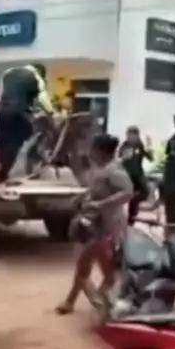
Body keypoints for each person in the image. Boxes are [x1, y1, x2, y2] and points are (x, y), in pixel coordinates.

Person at [56, 134, 133, 315]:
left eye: (92, 149)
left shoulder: (114, 170)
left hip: (108, 225)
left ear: (100, 151)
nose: (90, 152)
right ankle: (74, 300)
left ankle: (99, 301)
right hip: (95, 223)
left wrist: (101, 204)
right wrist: (82, 197)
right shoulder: (101, 169)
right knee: (84, 262)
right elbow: (95, 190)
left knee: (105, 269)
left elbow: (128, 192)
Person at [0, 62, 54, 183]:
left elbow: (0, 94)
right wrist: (51, 111)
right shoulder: (35, 77)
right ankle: (6, 173)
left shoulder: (8, 73)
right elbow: (42, 98)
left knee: (3, 143)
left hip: (2, 113)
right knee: (23, 137)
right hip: (18, 113)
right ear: (41, 73)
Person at [119, 125, 153, 225]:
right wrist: (125, 156)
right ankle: (129, 219)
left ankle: (131, 217)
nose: (131, 138)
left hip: (138, 174)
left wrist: (149, 146)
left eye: (133, 135)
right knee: (131, 197)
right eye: (129, 135)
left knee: (145, 192)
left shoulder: (140, 145)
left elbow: (150, 158)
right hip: (128, 174)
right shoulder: (125, 145)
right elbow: (122, 158)